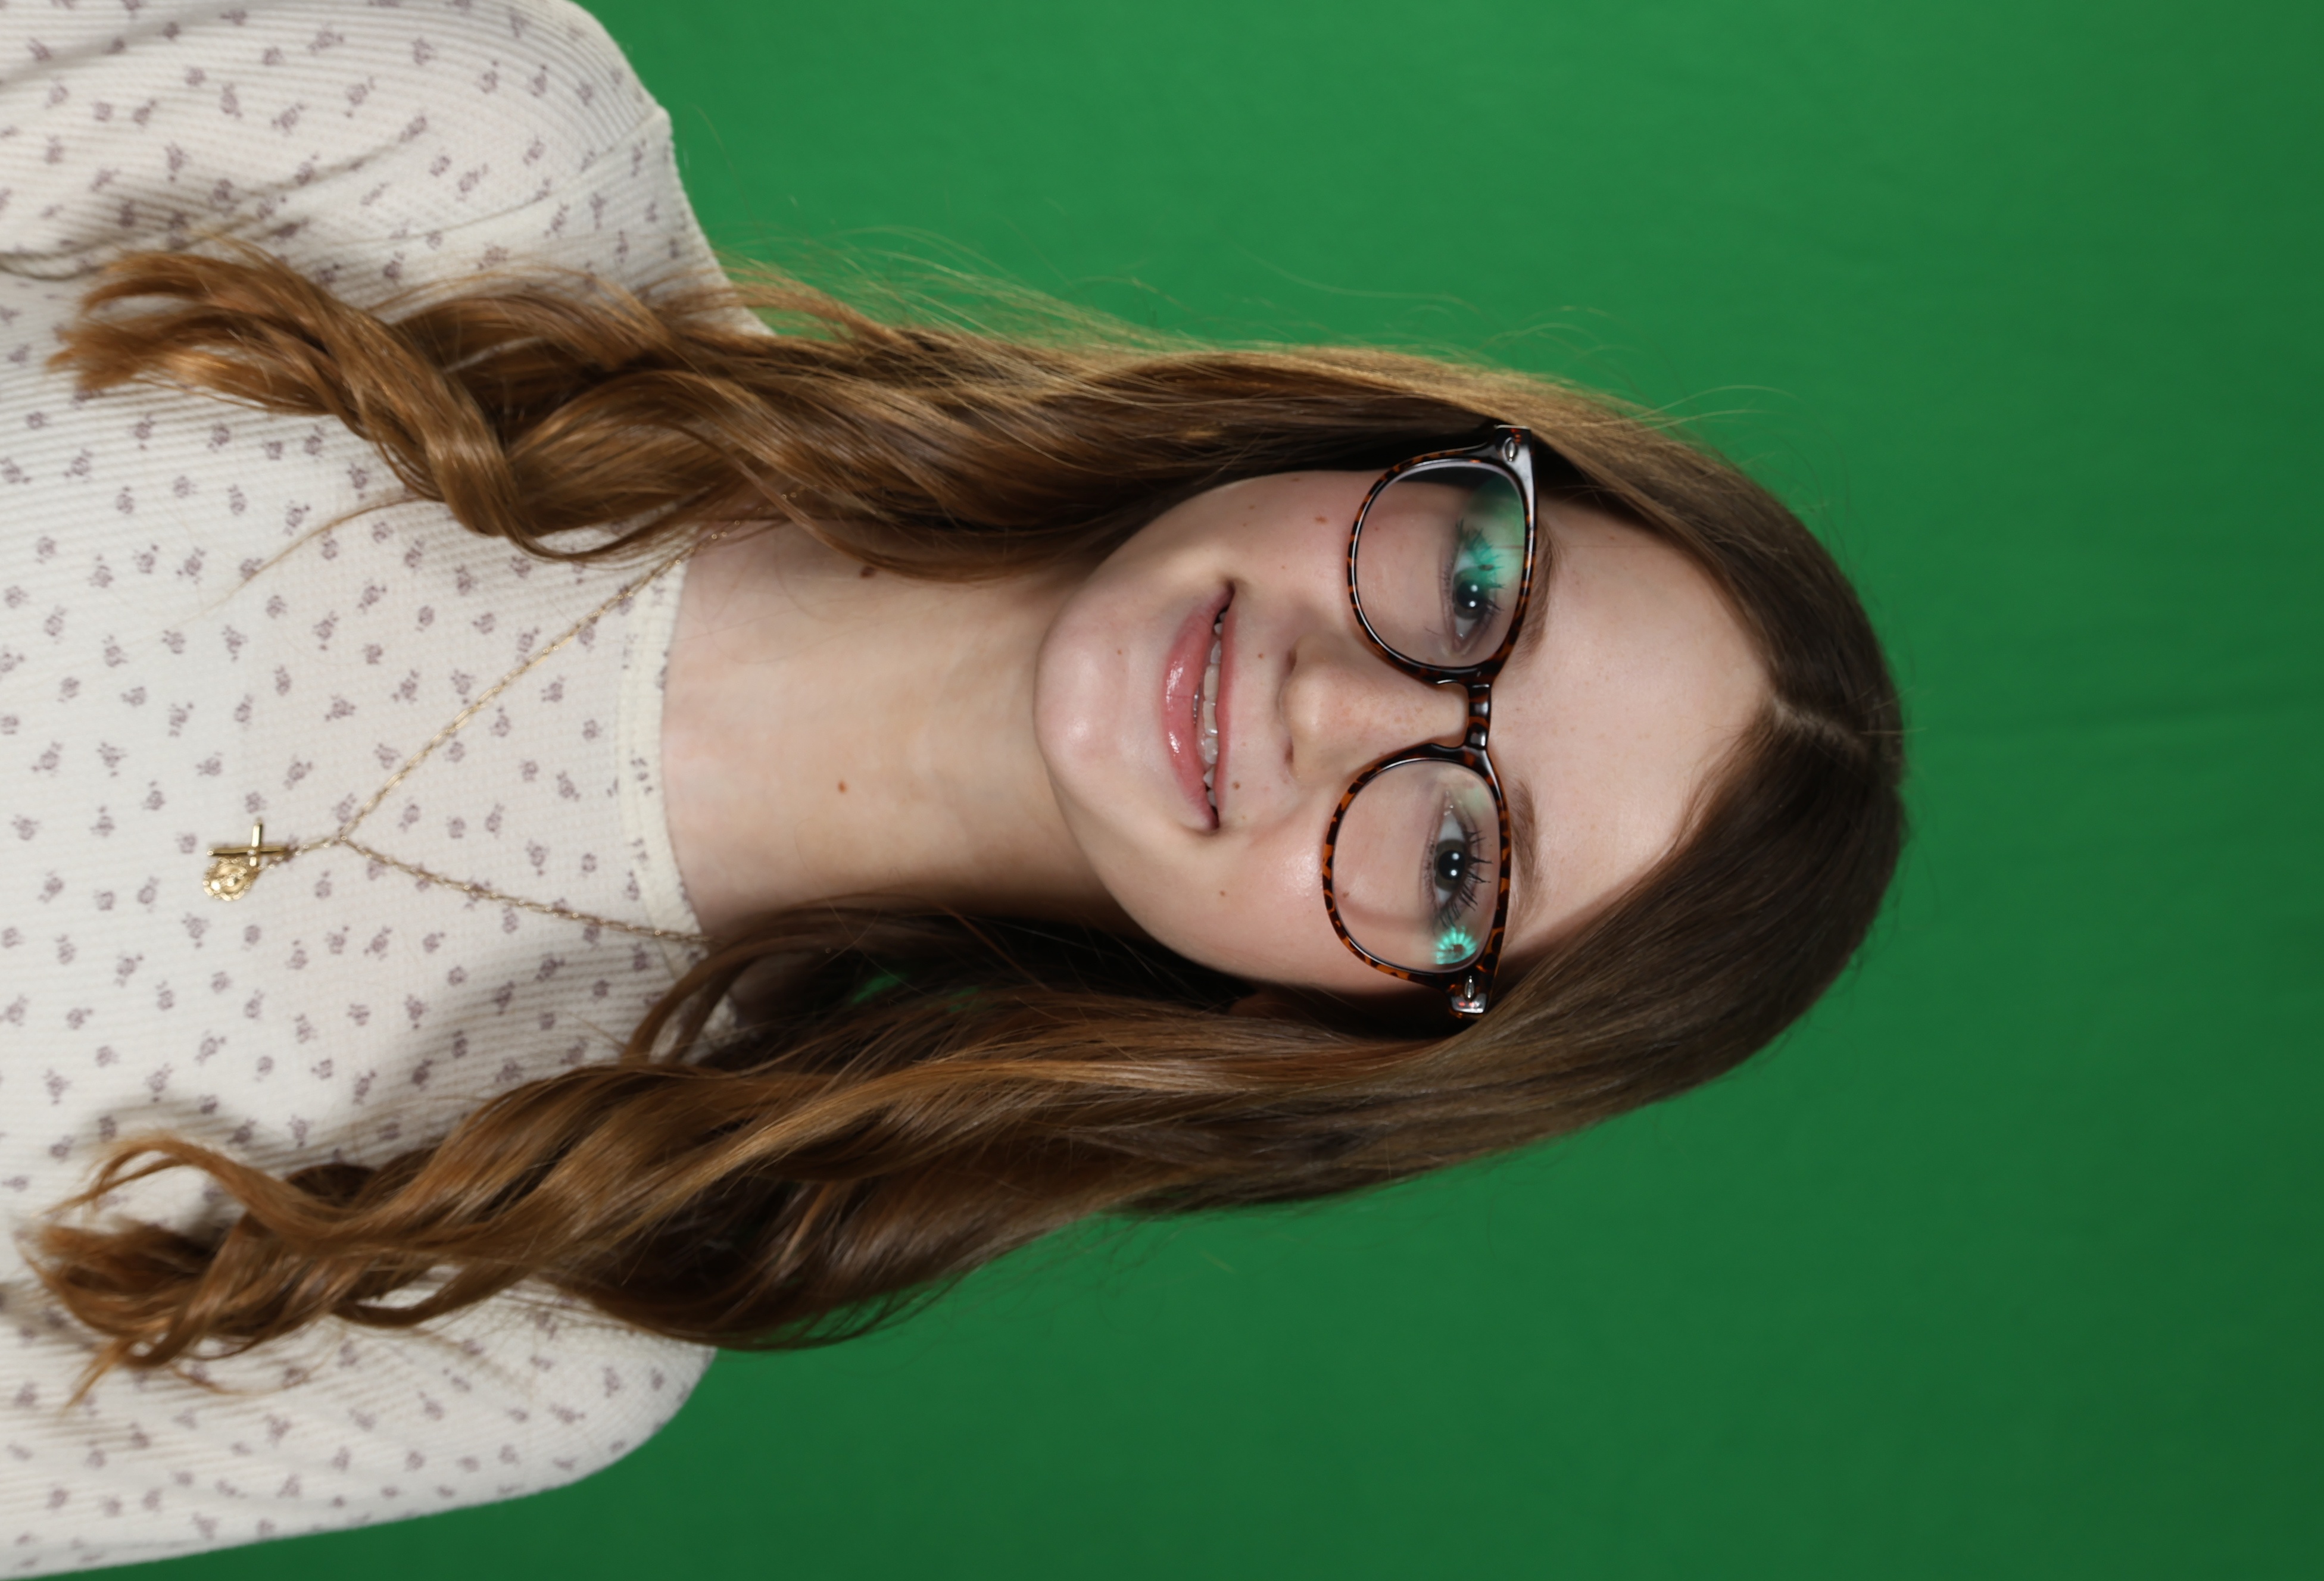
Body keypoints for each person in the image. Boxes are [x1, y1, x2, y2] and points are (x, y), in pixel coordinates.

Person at [0, 0, 1902, 1571]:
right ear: (1401, 449)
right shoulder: (468, 144)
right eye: (1472, 592)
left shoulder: (542, 1316)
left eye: (1460, 853)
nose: (1339, 703)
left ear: (1352, 1026)